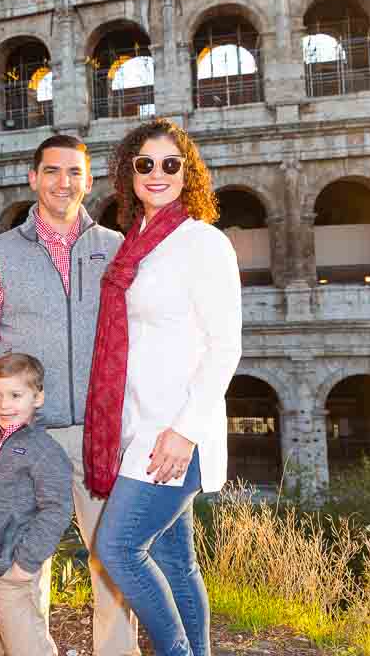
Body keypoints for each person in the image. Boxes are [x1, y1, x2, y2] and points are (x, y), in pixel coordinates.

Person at [0, 133, 136, 656]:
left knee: (113, 557)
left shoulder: (115, 248)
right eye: (52, 171)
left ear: (89, 180)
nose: (64, 182)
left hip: (101, 433)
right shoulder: (1, 254)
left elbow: (135, 334)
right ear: (33, 179)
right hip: (24, 436)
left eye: (74, 172)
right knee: (19, 561)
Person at [84, 118, 243, 656]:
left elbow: (226, 347)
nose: (157, 173)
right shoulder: (140, 245)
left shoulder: (203, 242)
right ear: (129, 173)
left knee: (119, 546)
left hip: (174, 433)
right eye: (145, 164)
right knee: (176, 561)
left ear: (187, 173)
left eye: (170, 164)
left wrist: (184, 430)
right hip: (140, 428)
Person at [0, 353, 73, 656]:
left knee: (26, 647)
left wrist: (26, 563)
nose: (4, 405)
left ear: (38, 397)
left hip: (11, 573)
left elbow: (56, 510)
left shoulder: (44, 451)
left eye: (15, 395)